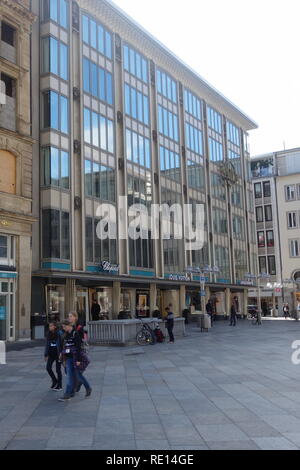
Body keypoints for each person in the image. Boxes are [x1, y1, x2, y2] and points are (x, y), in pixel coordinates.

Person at [59, 320, 92, 402]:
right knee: (73, 376)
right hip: (69, 358)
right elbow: (65, 346)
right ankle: (71, 393)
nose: (63, 328)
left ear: (69, 326)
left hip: (75, 358)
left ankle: (69, 393)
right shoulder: (66, 334)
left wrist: (78, 360)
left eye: (64, 326)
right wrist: (62, 354)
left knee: (76, 375)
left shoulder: (75, 334)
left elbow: (78, 348)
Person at [44, 322, 63, 391]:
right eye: (49, 326)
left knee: (58, 370)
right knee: (48, 368)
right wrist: (46, 354)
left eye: (51, 326)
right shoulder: (48, 334)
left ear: (55, 326)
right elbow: (47, 345)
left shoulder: (59, 333)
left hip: (58, 354)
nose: (50, 327)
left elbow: (62, 344)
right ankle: (55, 381)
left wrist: (62, 353)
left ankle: (60, 385)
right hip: (51, 354)